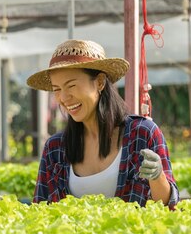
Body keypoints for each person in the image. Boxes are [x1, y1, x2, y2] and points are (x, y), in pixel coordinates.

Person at [27, 39, 179, 209]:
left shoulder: (142, 134)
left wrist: (157, 176)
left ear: (100, 82)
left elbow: (168, 206)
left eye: (71, 86)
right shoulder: (55, 148)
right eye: (57, 89)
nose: (63, 97)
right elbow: (39, 210)